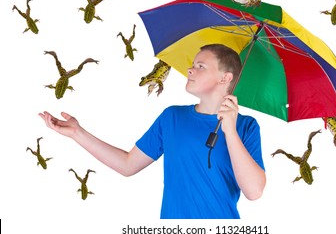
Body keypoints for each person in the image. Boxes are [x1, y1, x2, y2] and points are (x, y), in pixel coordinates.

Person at [39, 43, 266, 219]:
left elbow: (254, 192)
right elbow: (128, 165)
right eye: (193, 64)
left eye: (200, 66)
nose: (190, 69)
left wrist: (231, 132)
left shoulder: (246, 126)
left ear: (225, 78)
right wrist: (78, 133)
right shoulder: (172, 117)